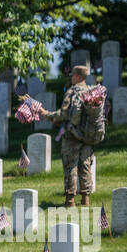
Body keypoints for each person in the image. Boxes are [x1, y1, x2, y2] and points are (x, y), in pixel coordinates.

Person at [40, 64, 94, 208]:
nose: (71, 78)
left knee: (71, 166)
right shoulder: (92, 92)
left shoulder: (72, 92)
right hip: (88, 135)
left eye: (73, 75)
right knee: (86, 165)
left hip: (72, 136)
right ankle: (85, 199)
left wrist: (47, 114)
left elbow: (63, 114)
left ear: (78, 76)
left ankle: (70, 200)